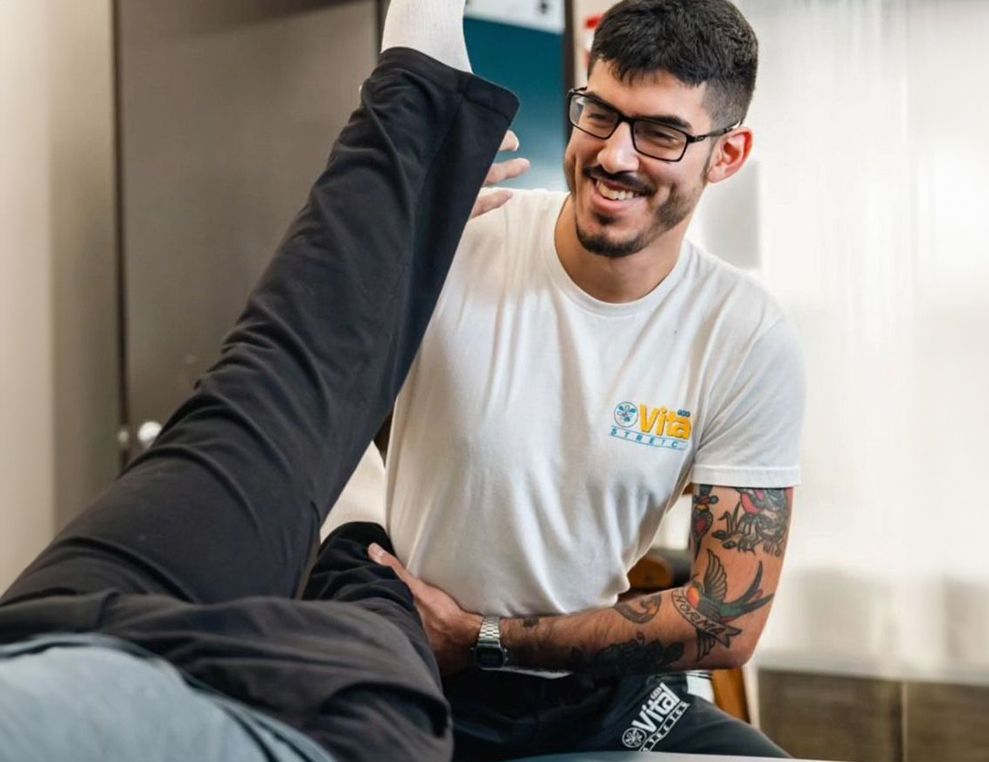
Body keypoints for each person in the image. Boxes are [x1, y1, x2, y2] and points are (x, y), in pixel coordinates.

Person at [0, 2, 520, 760]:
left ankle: (416, 86)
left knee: (259, 396)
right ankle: (354, 538)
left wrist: (412, 230)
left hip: (41, 646)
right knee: (381, 662)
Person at [364, 0, 805, 758]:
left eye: (661, 132)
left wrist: (483, 639)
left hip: (583, 685)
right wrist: (390, 248)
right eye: (598, 114)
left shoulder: (744, 334)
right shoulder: (463, 244)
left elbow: (724, 620)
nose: (614, 156)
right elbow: (297, 385)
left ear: (725, 156)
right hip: (412, 673)